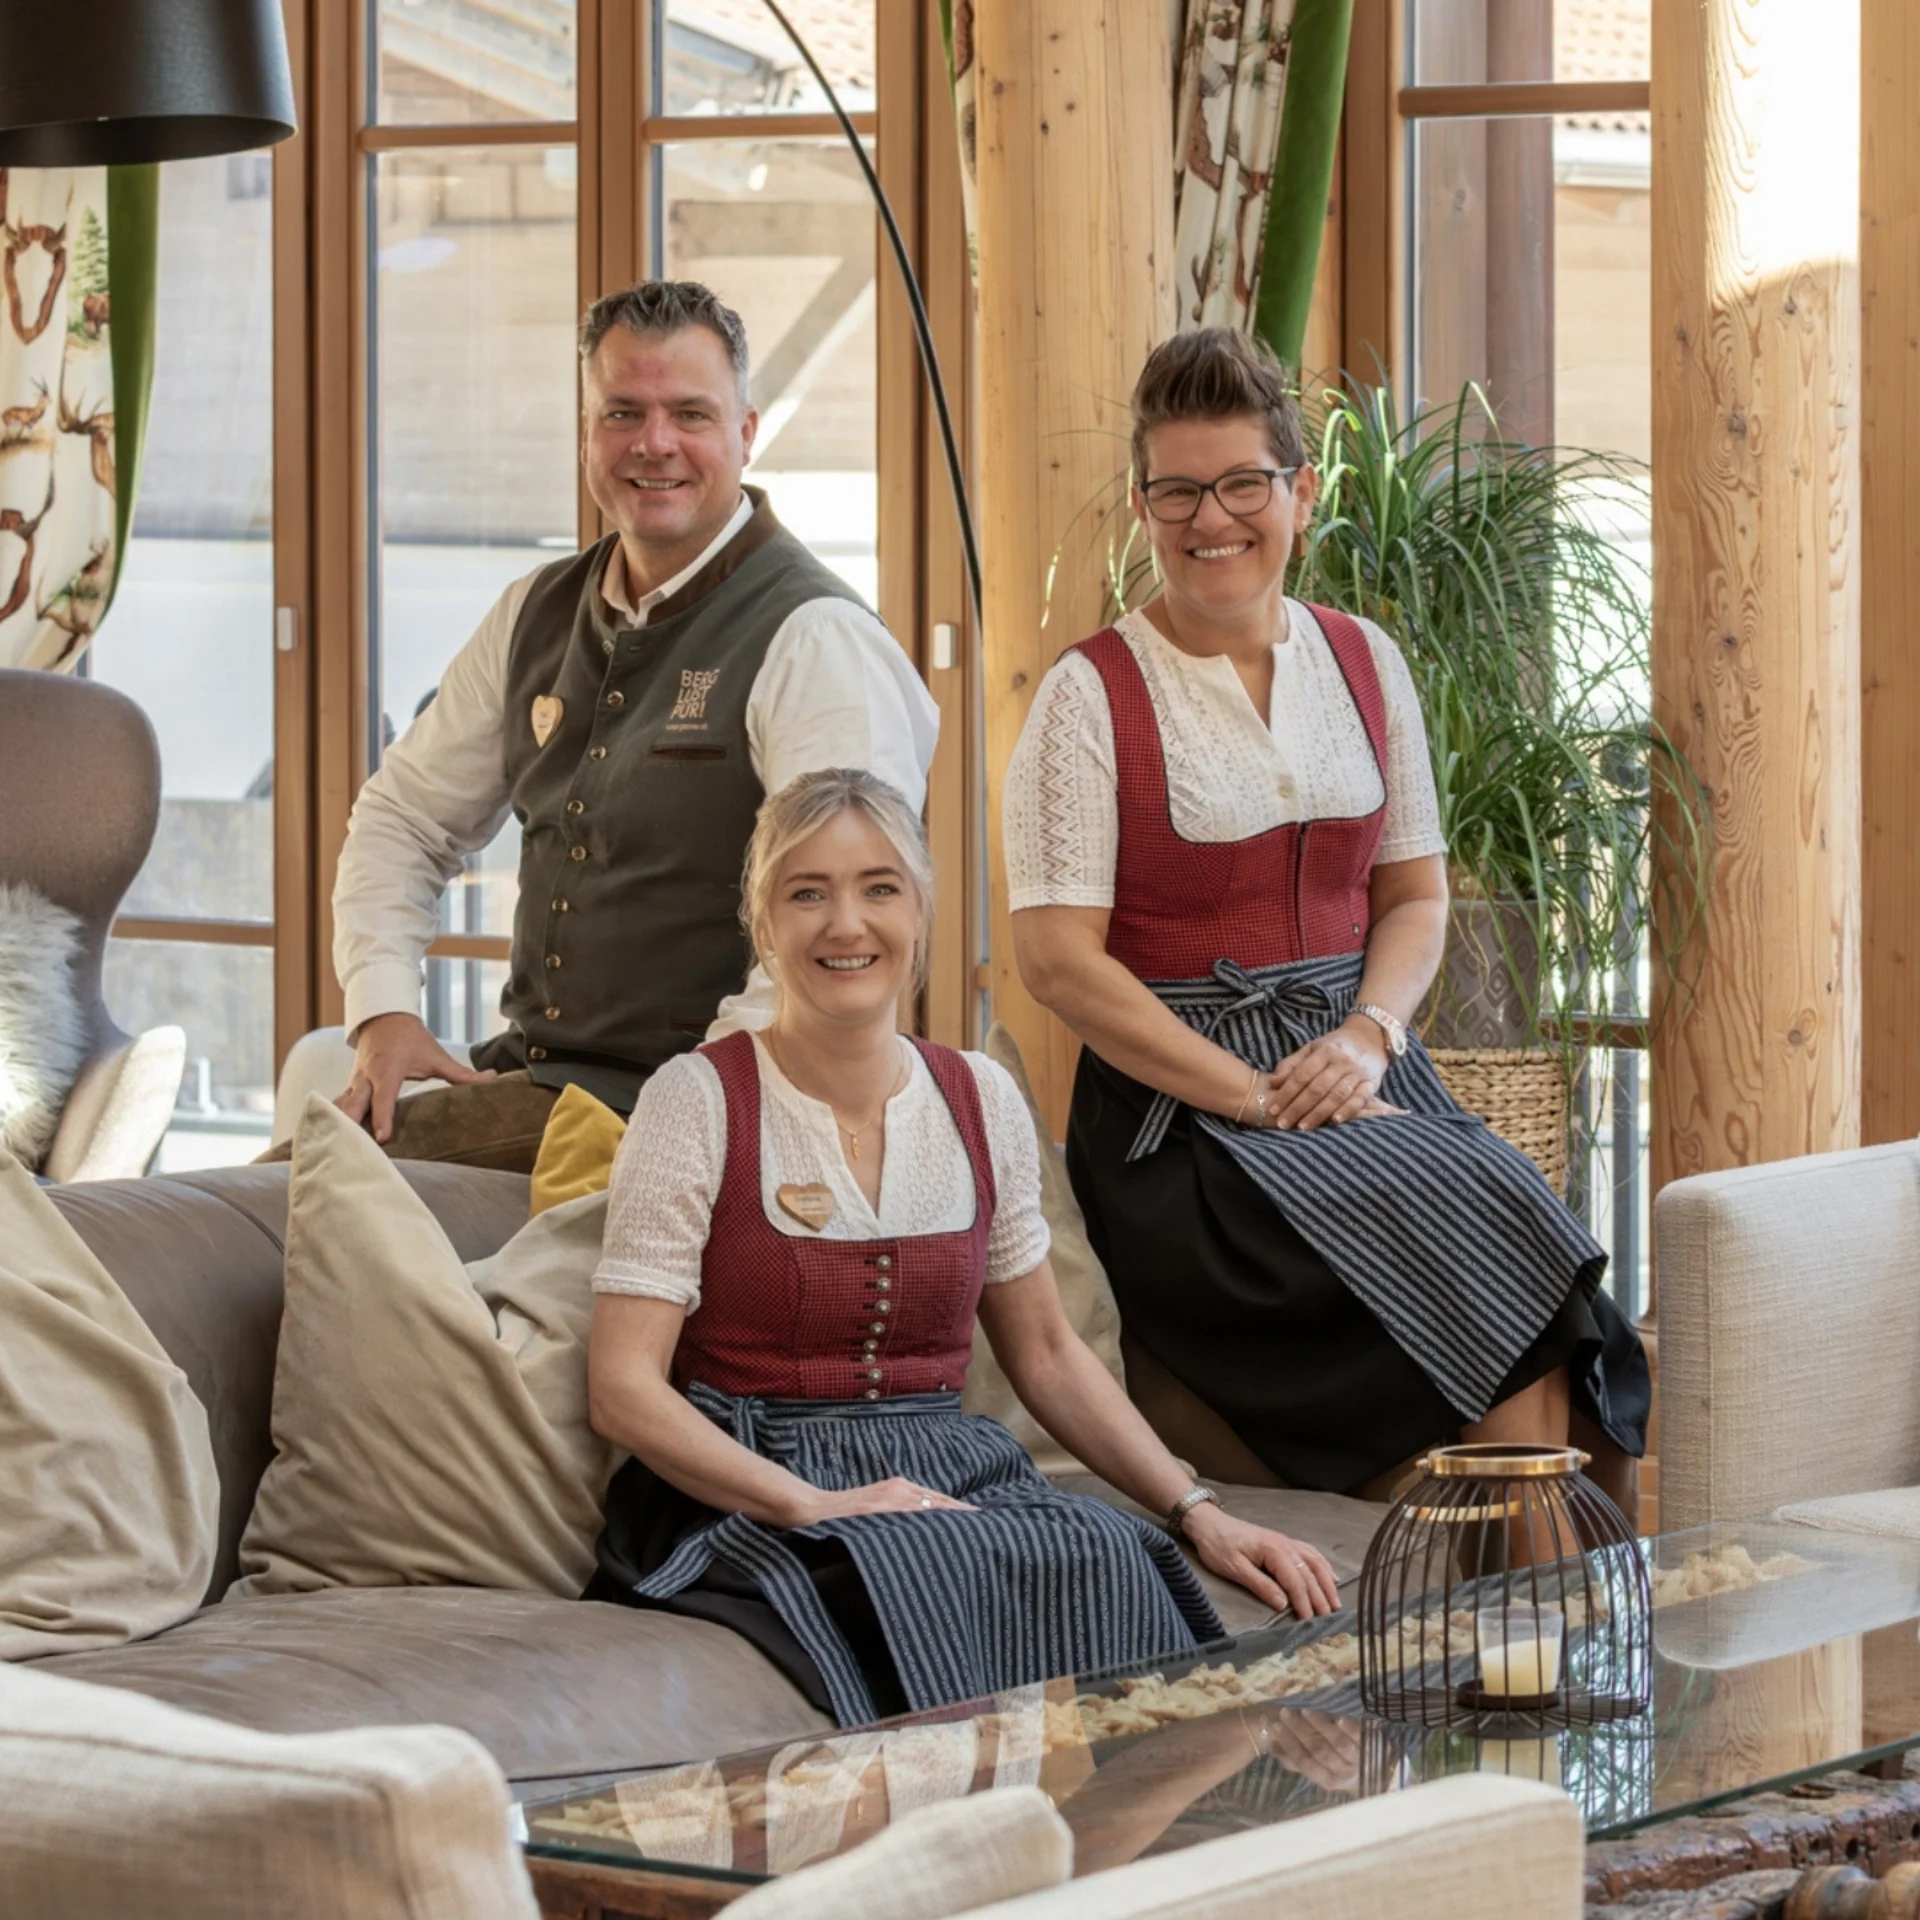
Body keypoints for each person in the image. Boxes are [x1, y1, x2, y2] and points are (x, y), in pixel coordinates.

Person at [1003, 327, 1650, 1504]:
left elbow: (1414, 894)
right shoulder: (1086, 696)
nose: (1213, 520)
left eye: (1243, 484)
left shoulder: (1366, 661)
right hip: (1185, 1128)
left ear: (1300, 492)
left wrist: (1368, 1037)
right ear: (1145, 506)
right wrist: (1249, 1093)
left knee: (1551, 1288)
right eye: (1178, 491)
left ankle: (1547, 1649)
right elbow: (1054, 963)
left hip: (1360, 1073)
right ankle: (1548, 1663)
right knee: (1504, 1230)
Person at [585, 768, 1340, 1727]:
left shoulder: (980, 1098)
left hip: (947, 1465)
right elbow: (622, 1387)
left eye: (879, 888)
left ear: (923, 915)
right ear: (762, 923)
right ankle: (965, 1857)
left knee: (1107, 1553)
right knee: (924, 1558)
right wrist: (810, 1504)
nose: (845, 924)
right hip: (745, 1478)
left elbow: (1050, 1355)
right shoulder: (696, 1099)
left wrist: (1199, 1511)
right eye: (806, 892)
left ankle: (1130, 1862)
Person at [325, 280, 939, 1169]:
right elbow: (403, 819)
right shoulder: (534, 610)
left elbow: (836, 943)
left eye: (690, 413)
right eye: (623, 413)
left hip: (711, 1118)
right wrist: (383, 1012)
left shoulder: (818, 641)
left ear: (746, 434)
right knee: (256, 1217)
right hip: (534, 1088)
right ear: (585, 436)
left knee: (276, 1209)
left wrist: (686, 1125)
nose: (654, 443)